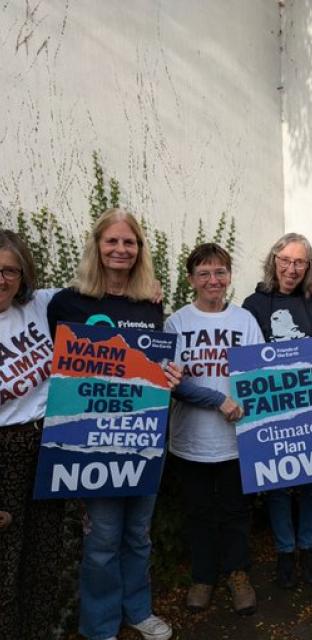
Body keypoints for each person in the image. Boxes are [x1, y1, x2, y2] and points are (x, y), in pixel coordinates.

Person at [47, 209, 180, 640]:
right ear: (97, 245)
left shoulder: (149, 302)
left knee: (139, 534)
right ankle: (100, 626)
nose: (121, 250)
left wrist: (169, 375)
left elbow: (154, 365)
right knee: (103, 538)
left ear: (140, 249)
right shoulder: (68, 302)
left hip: (143, 435)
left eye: (130, 242)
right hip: (92, 441)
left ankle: (138, 611)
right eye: (113, 242)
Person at [165, 243, 263, 615]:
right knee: (199, 512)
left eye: (220, 271)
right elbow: (173, 382)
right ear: (191, 279)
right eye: (204, 273)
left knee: (237, 512)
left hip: (238, 441)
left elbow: (258, 374)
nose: (213, 279)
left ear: (229, 277)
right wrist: (217, 400)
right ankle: (203, 577)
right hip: (191, 440)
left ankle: (238, 574)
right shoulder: (176, 323)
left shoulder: (245, 321)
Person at [243, 232, 312, 589]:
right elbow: (244, 359)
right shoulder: (253, 304)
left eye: (300, 262)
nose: (292, 268)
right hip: (271, 406)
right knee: (278, 482)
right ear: (274, 261)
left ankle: (308, 546)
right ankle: (285, 549)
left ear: (308, 266)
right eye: (285, 260)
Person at [0, 229, 63, 640]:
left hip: (49, 442)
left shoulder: (39, 305)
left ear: (24, 276)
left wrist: (147, 291)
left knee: (44, 556)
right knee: (4, 560)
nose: (2, 278)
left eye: (10, 270)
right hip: (4, 451)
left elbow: (100, 291)